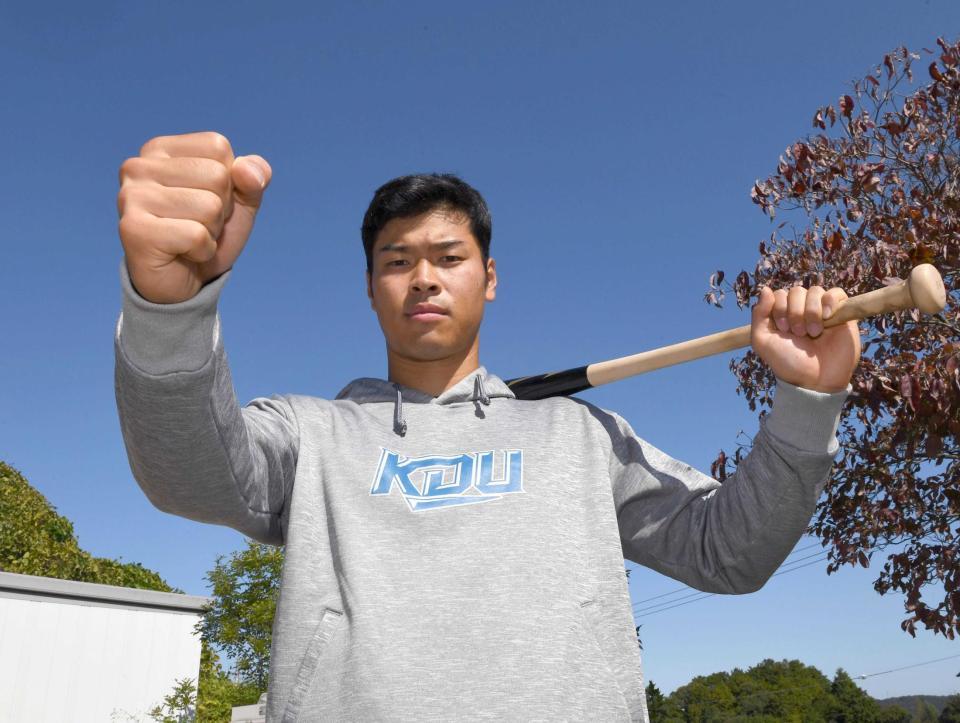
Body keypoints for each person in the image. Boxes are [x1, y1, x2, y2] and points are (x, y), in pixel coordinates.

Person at [114, 131, 861, 722]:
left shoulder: (579, 436)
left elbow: (731, 552)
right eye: (396, 260)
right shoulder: (311, 434)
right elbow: (187, 473)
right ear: (371, 289)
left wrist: (806, 403)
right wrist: (169, 305)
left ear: (490, 277)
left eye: (448, 256)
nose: (425, 277)